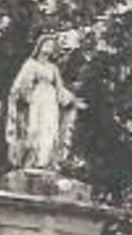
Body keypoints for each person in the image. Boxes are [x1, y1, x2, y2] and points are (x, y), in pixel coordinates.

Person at [6, 36, 82, 172]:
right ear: (39, 46)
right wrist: (21, 95)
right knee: (33, 129)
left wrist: (72, 100)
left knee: (50, 130)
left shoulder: (53, 68)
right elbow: (20, 84)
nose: (49, 48)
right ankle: (30, 162)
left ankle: (44, 163)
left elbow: (60, 89)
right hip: (36, 99)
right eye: (47, 44)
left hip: (50, 100)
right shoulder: (30, 64)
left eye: (52, 46)